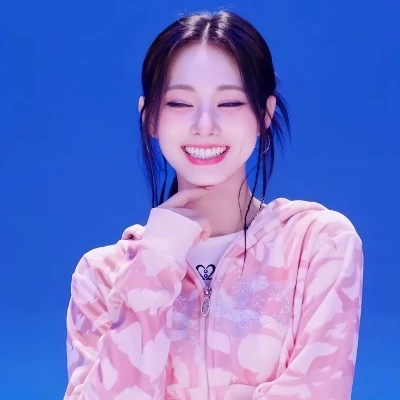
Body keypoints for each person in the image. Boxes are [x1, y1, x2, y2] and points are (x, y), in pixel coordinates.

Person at [64, 9, 364, 400]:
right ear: (150, 118)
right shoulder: (102, 275)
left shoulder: (318, 246)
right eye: (179, 103)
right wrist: (153, 270)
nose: (204, 125)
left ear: (265, 114)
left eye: (230, 103)